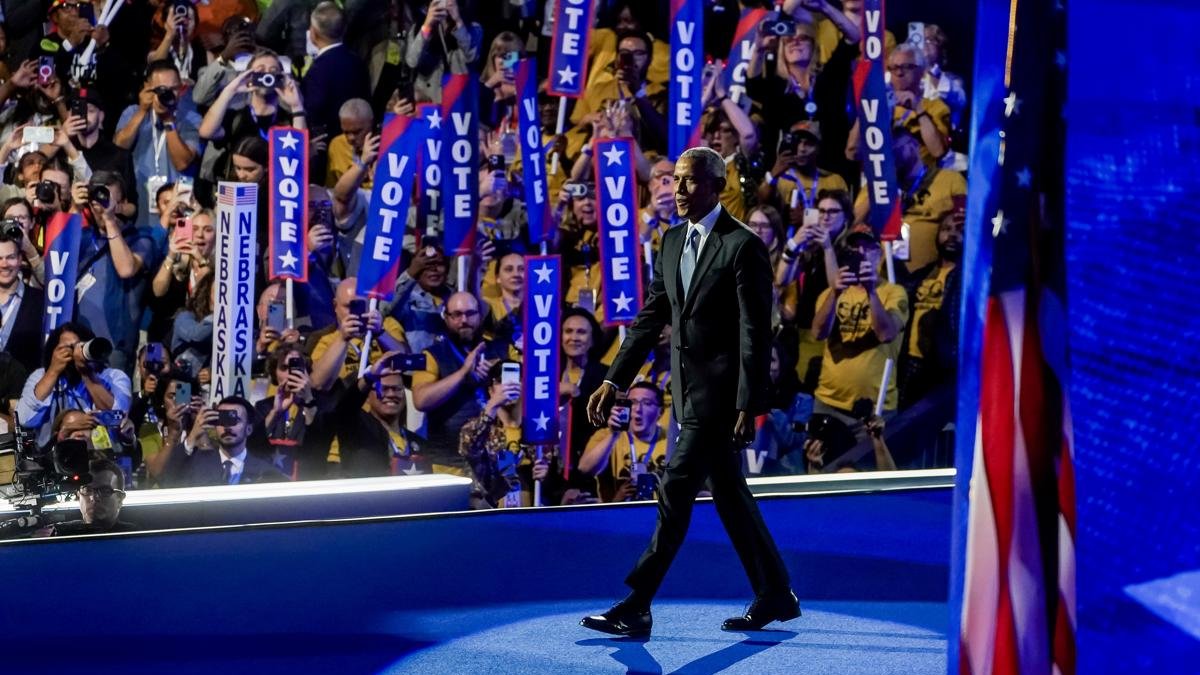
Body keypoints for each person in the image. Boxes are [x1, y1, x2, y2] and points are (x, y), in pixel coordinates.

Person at [582, 147, 797, 637]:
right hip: (685, 393)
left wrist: (747, 402)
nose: (677, 190)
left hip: (720, 400)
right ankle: (775, 592)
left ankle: (638, 603)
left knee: (676, 487)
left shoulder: (743, 245)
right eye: (675, 180)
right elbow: (651, 318)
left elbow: (754, 333)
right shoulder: (673, 240)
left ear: (717, 186)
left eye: (690, 181)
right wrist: (614, 379)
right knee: (729, 494)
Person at [811, 224, 909, 457]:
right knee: (820, 469)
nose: (862, 253)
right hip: (828, 404)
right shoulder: (831, 292)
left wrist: (871, 291)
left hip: (874, 410)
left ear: (880, 254)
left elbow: (886, 334)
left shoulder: (894, 292)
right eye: (855, 248)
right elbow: (818, 332)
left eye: (869, 248)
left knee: (871, 472)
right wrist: (835, 293)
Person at [411, 291, 505, 470]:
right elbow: (421, 400)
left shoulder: (499, 351)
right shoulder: (432, 354)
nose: (464, 320)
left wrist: (494, 379)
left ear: (480, 315)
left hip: (494, 462)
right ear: (446, 318)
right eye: (456, 314)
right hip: (449, 463)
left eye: (470, 313)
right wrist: (463, 373)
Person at [114, 60, 202, 230]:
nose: (167, 95)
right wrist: (142, 110)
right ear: (147, 88)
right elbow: (119, 147)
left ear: (181, 89)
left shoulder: (191, 119)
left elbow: (182, 162)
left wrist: (168, 120)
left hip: (179, 214)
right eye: (161, 89)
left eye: (173, 89)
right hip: (140, 211)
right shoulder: (132, 113)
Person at [459, 360, 560, 508]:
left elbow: (556, 478)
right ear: (491, 390)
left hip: (531, 511)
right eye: (501, 381)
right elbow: (469, 446)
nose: (509, 385)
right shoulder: (476, 429)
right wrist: (493, 405)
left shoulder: (541, 431)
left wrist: (545, 475)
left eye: (516, 380)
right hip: (488, 511)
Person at [16, 322, 132, 447]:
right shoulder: (41, 376)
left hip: (102, 454)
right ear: (53, 352)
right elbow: (24, 419)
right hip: (53, 454)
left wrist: (87, 374)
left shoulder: (114, 377)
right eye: (69, 348)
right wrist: (53, 371)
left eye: (82, 346)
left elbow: (119, 417)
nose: (76, 352)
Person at [160, 395, 287, 487]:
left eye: (234, 420)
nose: (227, 427)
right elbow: (168, 481)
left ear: (248, 429)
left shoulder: (266, 471)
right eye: (222, 420)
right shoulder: (197, 463)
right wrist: (192, 436)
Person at [578, 382, 668, 503]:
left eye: (646, 403)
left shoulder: (672, 439)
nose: (638, 409)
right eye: (632, 402)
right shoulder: (606, 435)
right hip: (617, 512)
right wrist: (614, 435)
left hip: (660, 511)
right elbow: (585, 469)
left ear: (660, 411)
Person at [301, 1, 371, 134]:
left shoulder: (318, 70)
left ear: (313, 33)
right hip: (358, 135)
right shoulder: (357, 61)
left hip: (329, 140)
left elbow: (313, 109)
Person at [41, 458, 136, 536]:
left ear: (120, 499)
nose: (93, 498)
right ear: (78, 495)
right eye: (87, 490)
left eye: (105, 491)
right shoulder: (58, 534)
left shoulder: (135, 537)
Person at [0, 227, 45, 373]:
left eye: (10, 257)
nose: (4, 264)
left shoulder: (40, 303)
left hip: (25, 385)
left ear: (20, 259)